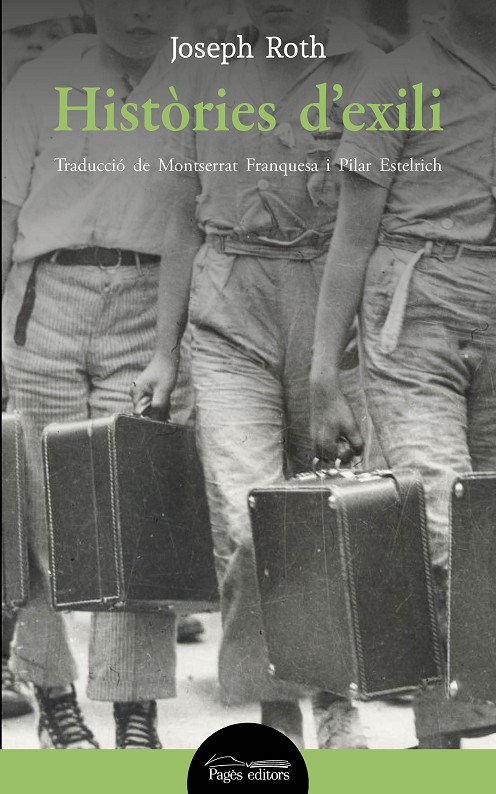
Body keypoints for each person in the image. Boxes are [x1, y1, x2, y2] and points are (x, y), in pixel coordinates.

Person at [133, 0, 383, 748]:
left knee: (328, 512)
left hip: (327, 307)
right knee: (250, 518)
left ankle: (335, 699)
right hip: (228, 306)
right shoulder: (202, 72)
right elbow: (181, 220)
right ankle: (275, 710)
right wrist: (164, 351)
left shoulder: (367, 71)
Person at [2, 0, 190, 749]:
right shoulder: (38, 80)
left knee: (136, 510)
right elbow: (5, 213)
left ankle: (135, 706)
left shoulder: (200, 88)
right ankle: (55, 697)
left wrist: (168, 346)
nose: (139, 11)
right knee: (41, 508)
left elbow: (193, 221)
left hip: (148, 303)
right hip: (47, 298)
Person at [310, 0, 496, 749]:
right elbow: (352, 238)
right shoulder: (397, 79)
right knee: (444, 516)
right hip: (414, 310)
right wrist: (325, 373)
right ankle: (449, 737)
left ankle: (447, 737)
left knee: (487, 524)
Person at [2, 0, 85, 723]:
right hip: (30, 310)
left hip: (37, 316)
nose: (40, 47)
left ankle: (23, 662)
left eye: (55, 32)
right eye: (24, 34)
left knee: (27, 497)